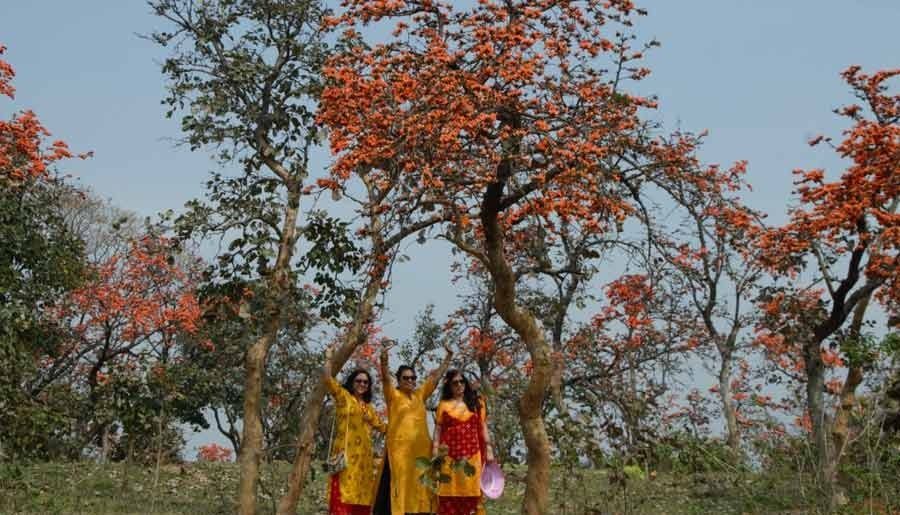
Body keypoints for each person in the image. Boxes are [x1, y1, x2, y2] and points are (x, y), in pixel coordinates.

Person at [373, 341, 454, 515]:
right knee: (400, 486)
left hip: (421, 452)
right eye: (406, 378)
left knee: (421, 487)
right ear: (399, 380)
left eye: (413, 378)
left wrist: (448, 358)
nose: (410, 381)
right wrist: (384, 358)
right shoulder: (393, 395)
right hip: (400, 453)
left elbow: (435, 378)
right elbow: (386, 378)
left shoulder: (419, 395)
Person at [322, 347, 386, 515]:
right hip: (345, 459)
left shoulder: (370, 409)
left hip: (364, 464)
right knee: (342, 500)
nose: (362, 384)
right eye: (358, 381)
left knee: (362, 501)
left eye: (365, 382)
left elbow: (384, 428)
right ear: (352, 382)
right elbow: (327, 379)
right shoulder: (344, 397)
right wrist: (328, 358)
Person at [432, 370, 494, 515]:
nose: (459, 385)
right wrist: (435, 451)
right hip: (449, 458)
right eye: (455, 383)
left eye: (462, 381)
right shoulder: (444, 405)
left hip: (472, 457)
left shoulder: (477, 403)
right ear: (449, 386)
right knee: (448, 495)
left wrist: (489, 449)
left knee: (472, 495)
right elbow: (438, 429)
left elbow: (483, 426)